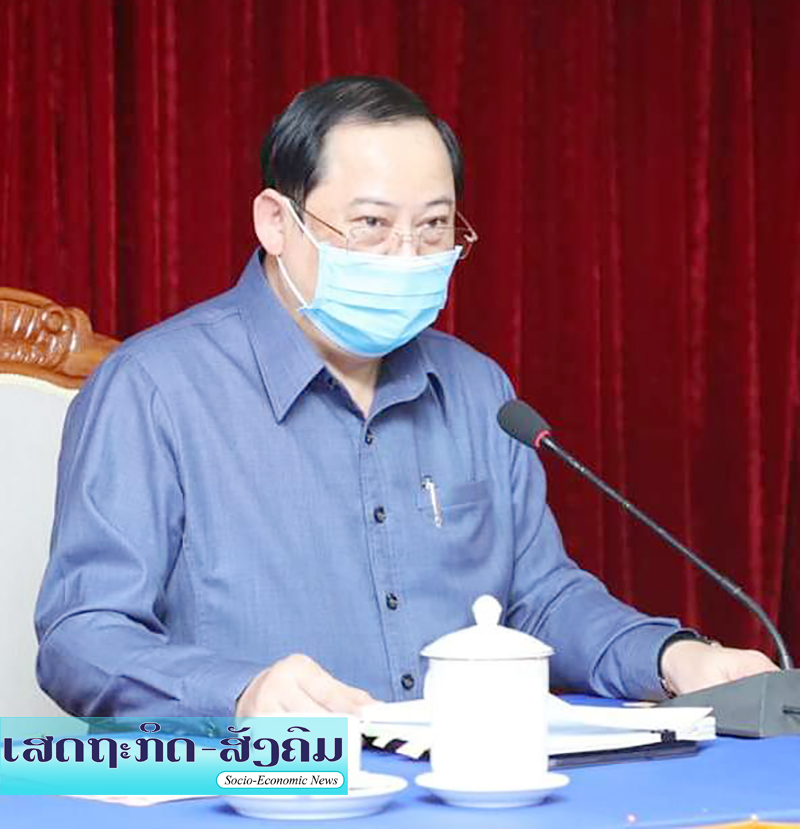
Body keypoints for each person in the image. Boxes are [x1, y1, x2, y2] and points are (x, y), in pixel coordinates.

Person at [36, 76, 777, 719]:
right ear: (276, 222)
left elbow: (540, 600)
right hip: (265, 791)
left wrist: (672, 657)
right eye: (371, 225)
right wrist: (239, 692)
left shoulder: (480, 391)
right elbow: (84, 636)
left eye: (433, 228)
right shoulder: (154, 389)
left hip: (469, 788)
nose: (407, 258)